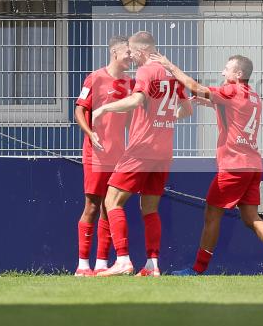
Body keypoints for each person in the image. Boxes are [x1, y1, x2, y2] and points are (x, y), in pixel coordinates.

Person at [149, 53, 263, 277]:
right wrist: (208, 102)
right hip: (253, 165)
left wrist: (169, 65)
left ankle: (197, 270)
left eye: (226, 69)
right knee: (251, 217)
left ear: (238, 74)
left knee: (212, 215)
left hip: (234, 166)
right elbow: (233, 111)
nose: (222, 73)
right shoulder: (253, 95)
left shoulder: (232, 90)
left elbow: (195, 87)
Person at [92, 31, 193, 277]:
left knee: (111, 201)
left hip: (141, 148)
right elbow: (187, 109)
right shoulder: (170, 71)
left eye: (133, 52)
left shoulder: (147, 71)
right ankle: (152, 265)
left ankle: (123, 260)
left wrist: (104, 108)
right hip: (164, 151)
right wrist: (165, 120)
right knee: (150, 208)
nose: (132, 57)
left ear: (140, 50)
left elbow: (137, 101)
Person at [72, 36, 133, 276]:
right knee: (92, 206)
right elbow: (79, 110)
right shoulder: (95, 78)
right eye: (127, 52)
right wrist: (90, 134)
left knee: (111, 206)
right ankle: (82, 264)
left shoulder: (130, 83)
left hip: (118, 156)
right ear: (115, 53)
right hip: (95, 154)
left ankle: (101, 263)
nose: (131, 56)